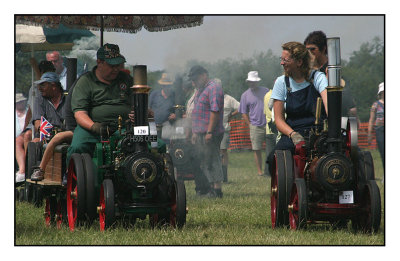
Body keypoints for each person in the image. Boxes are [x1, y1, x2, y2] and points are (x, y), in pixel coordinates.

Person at [67, 43, 133, 163]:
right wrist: (95, 127)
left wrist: (138, 113)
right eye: (111, 65)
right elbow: (80, 114)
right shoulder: (85, 81)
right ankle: (70, 176)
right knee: (78, 147)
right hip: (92, 130)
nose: (116, 69)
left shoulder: (127, 80)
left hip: (124, 128)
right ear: (99, 62)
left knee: (151, 145)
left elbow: (137, 105)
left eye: (118, 65)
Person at [268, 41, 328, 170]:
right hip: (294, 131)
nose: (282, 63)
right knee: (273, 158)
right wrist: (293, 135)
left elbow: (329, 107)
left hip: (320, 131)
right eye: (281, 59)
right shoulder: (281, 82)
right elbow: (278, 119)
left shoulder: (318, 77)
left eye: (286, 60)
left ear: (299, 62)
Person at [15, 61, 56, 183]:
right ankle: (24, 169)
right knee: (19, 139)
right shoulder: (34, 89)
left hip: (48, 124)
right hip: (37, 122)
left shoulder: (54, 88)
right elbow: (31, 111)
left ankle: (29, 166)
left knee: (28, 136)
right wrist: (25, 128)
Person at [189, 65, 224, 198]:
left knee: (213, 160)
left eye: (195, 78)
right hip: (201, 132)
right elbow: (197, 112)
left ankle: (217, 191)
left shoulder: (213, 88)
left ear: (204, 75)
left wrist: (209, 132)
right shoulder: (201, 89)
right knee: (205, 161)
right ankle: (210, 189)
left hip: (211, 133)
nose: (194, 82)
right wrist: (195, 132)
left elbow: (214, 111)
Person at [304, 30, 357, 118]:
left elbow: (346, 100)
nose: (309, 53)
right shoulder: (306, 71)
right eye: (307, 50)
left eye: (312, 49)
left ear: (323, 48)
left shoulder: (332, 69)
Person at [238, 71, 270, 177]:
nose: (252, 83)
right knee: (257, 149)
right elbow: (243, 112)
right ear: (248, 82)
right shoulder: (245, 95)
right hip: (255, 125)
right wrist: (249, 124)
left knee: (271, 148)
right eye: (250, 82)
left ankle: (270, 170)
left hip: (269, 124)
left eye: (254, 81)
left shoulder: (266, 91)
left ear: (257, 82)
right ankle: (260, 171)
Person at [219, 82, 240, 183]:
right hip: (212, 131)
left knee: (223, 151)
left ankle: (224, 178)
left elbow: (241, 107)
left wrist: (231, 115)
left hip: (224, 129)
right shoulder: (211, 98)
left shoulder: (228, 99)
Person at [149, 73, 175, 141]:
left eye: (167, 85)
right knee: (153, 145)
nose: (166, 87)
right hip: (153, 125)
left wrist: (175, 115)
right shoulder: (154, 94)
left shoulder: (174, 96)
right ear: (161, 85)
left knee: (166, 145)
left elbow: (177, 110)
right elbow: (148, 108)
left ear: (170, 85)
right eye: (164, 85)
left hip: (167, 125)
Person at [368, 82, 384, 169]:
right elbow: (371, 119)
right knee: (383, 151)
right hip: (380, 130)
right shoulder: (376, 105)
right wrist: (369, 134)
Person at [263, 88, 277, 176]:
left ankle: (267, 172)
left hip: (269, 128)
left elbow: (265, 112)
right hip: (277, 128)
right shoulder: (278, 95)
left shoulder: (266, 95)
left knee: (268, 152)